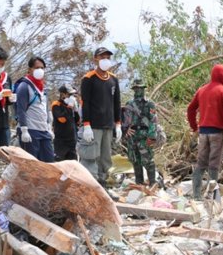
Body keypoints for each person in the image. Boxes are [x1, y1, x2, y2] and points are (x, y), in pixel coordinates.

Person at [187, 64, 223, 199]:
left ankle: (196, 195)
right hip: (218, 133)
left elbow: (190, 109)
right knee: (214, 164)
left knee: (201, 163)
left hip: (203, 133)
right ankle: (212, 196)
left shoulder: (202, 90)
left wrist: (194, 127)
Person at [80, 47, 122, 186]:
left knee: (105, 156)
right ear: (95, 59)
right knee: (92, 155)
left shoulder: (114, 79)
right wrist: (86, 125)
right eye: (102, 57)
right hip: (94, 125)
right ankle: (91, 183)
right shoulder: (89, 78)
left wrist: (118, 124)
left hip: (108, 124)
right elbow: (85, 102)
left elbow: (117, 102)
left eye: (107, 57)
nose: (105, 60)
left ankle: (102, 182)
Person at [15, 56, 54, 162]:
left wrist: (49, 127)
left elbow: (45, 109)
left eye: (42, 68)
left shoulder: (42, 88)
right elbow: (21, 109)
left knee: (49, 162)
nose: (40, 70)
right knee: (31, 164)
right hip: (30, 130)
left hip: (43, 130)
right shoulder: (24, 86)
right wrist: (24, 130)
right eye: (36, 68)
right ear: (30, 69)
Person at [123, 79, 158, 185]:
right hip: (132, 136)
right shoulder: (129, 104)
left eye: (140, 88)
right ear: (133, 89)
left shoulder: (149, 104)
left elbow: (153, 120)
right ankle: (139, 183)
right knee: (135, 160)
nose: (138, 90)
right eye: (136, 88)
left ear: (144, 89)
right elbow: (125, 120)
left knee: (148, 160)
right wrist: (125, 131)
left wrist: (151, 136)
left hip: (144, 135)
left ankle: (152, 183)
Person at [51, 84, 80, 161]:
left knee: (73, 163)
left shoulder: (70, 105)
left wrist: (76, 110)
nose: (71, 97)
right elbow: (62, 119)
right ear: (63, 94)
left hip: (71, 140)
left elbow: (77, 121)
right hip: (61, 141)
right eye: (69, 94)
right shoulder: (56, 105)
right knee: (60, 163)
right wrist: (69, 107)